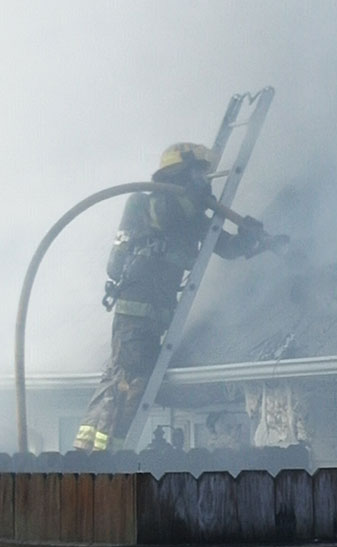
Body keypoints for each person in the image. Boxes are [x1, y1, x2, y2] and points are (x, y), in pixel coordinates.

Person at [74, 142, 279, 452]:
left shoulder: (194, 217)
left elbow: (226, 247)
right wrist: (192, 199)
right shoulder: (145, 203)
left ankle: (99, 449)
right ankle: (106, 452)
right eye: (196, 174)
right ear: (177, 175)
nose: (204, 181)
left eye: (203, 176)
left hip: (158, 313)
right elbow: (163, 216)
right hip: (136, 308)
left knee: (126, 379)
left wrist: (251, 238)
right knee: (130, 382)